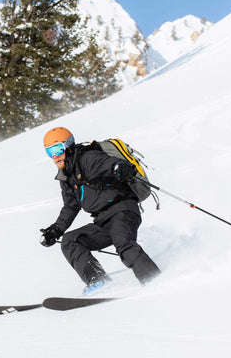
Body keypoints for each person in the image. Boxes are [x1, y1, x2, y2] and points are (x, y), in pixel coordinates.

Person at [40, 126, 161, 294]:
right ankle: (98, 281)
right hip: (102, 221)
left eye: (57, 149)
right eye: (49, 152)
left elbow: (109, 163)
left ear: (68, 146)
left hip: (122, 210)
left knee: (123, 244)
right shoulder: (66, 176)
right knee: (70, 241)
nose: (55, 156)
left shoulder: (87, 158)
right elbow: (70, 206)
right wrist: (55, 230)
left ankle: (155, 281)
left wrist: (119, 167)